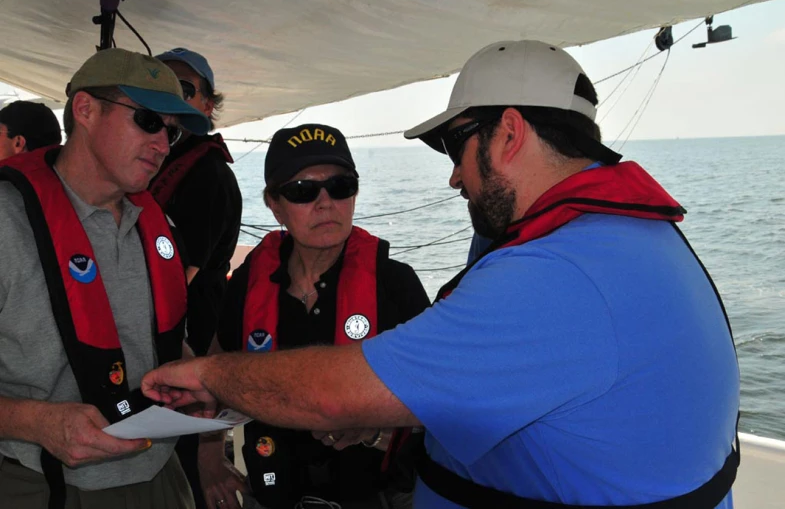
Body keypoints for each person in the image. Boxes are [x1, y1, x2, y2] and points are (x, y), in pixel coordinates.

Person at [142, 40, 740, 509]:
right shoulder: (635, 239)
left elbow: (332, 398)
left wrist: (209, 374)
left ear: (508, 133)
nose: (455, 177)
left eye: (456, 147)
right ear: (274, 203)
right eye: (302, 191)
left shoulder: (556, 274)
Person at [0, 47, 210, 509]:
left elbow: (155, 340)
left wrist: (193, 375)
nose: (161, 144)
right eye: (150, 121)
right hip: (42, 485)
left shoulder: (156, 224)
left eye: (171, 134)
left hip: (161, 474)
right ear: (86, 109)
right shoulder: (6, 221)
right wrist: (36, 422)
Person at [198, 123, 430, 509]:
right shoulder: (247, 283)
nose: (325, 203)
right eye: (303, 191)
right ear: (274, 204)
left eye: (340, 186)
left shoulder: (395, 283)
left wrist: (373, 428)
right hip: (274, 491)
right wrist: (208, 460)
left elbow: (440, 402)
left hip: (377, 495)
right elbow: (214, 372)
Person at [151, 47, 242, 509]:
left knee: (182, 468)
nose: (171, 94)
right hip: (159, 340)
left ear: (207, 105)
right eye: (159, 81)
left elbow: (173, 283)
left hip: (191, 334)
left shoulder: (207, 175)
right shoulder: (153, 161)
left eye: (184, 88)